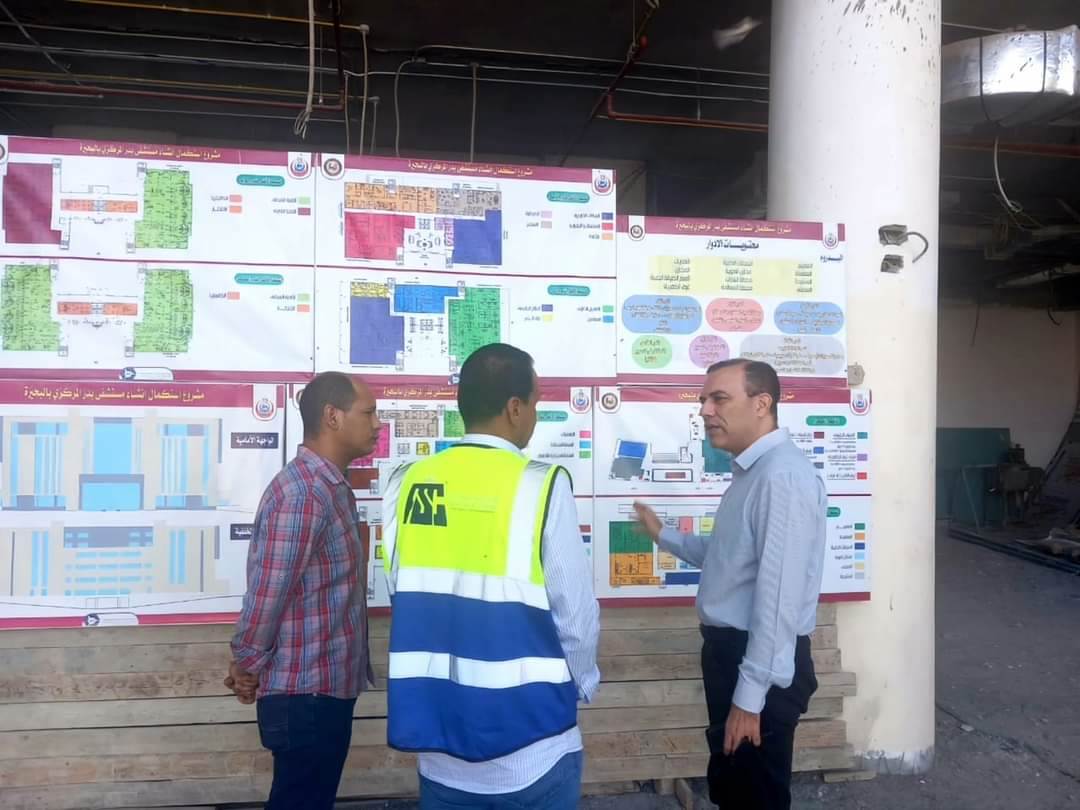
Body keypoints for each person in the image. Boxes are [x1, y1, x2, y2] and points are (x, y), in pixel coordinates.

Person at [380, 343, 600, 810]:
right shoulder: (542, 483)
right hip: (534, 745)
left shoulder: (407, 480)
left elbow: (401, 588)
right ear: (514, 408)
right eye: (535, 402)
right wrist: (580, 683)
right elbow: (576, 615)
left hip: (439, 745)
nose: (535, 414)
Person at [634, 358, 826, 810]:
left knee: (753, 795)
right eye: (704, 400)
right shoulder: (753, 472)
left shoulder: (781, 477)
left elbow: (778, 598)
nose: (705, 410)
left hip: (757, 663)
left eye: (719, 398)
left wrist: (749, 698)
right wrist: (664, 535)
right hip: (735, 657)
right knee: (734, 787)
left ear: (762, 404)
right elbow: (729, 557)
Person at [225, 371, 382, 810]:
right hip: (304, 693)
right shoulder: (306, 493)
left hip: (321, 690)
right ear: (332, 416)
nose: (377, 424)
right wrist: (247, 663)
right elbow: (269, 592)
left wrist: (247, 663)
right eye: (368, 413)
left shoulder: (329, 486)